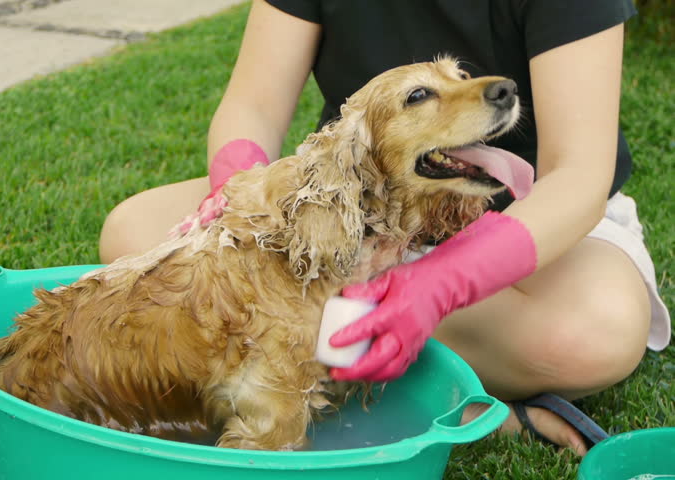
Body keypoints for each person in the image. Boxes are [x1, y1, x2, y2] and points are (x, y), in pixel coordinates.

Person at [98, 0, 670, 456]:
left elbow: (578, 176)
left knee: (597, 330)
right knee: (132, 231)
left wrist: (441, 283)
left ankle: (287, 360)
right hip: (348, 206)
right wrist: (243, 199)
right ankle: (444, 396)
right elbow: (252, 106)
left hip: (528, 218)